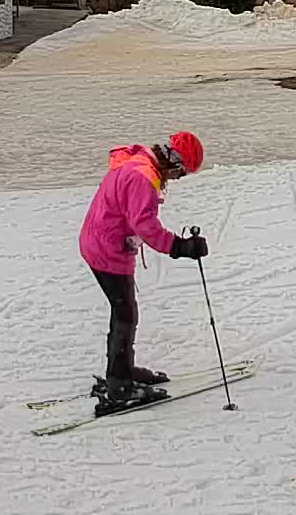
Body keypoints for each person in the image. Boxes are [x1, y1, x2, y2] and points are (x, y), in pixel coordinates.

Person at [77, 132, 209, 416]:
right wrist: (181, 246)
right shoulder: (144, 177)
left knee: (123, 312)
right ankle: (120, 387)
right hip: (106, 249)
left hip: (101, 242)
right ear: (174, 162)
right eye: (182, 172)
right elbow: (146, 226)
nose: (179, 178)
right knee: (125, 314)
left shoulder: (141, 161)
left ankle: (122, 371)